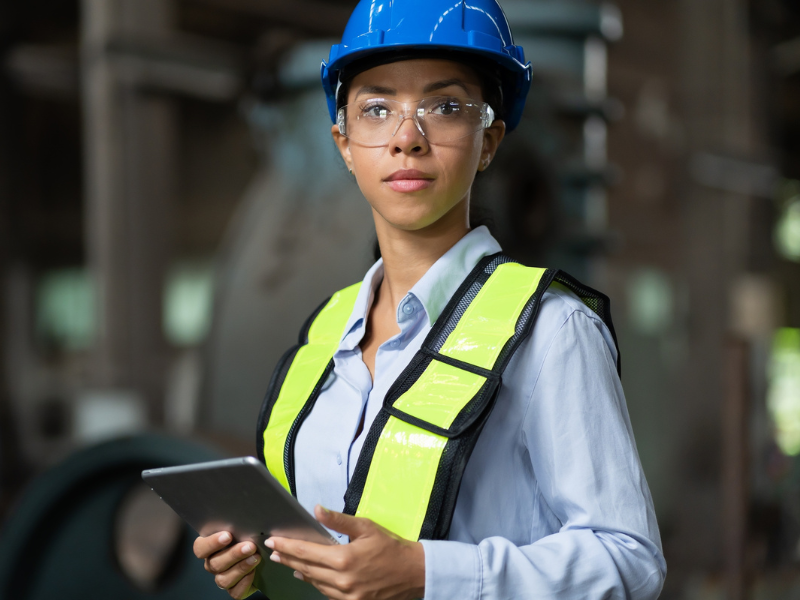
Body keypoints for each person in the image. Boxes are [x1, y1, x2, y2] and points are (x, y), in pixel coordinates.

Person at [193, 1, 667, 598]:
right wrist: (253, 566)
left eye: (444, 108)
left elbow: (630, 562)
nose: (406, 139)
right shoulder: (324, 333)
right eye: (376, 109)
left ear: (488, 140)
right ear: (344, 143)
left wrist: (427, 575)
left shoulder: (551, 331)